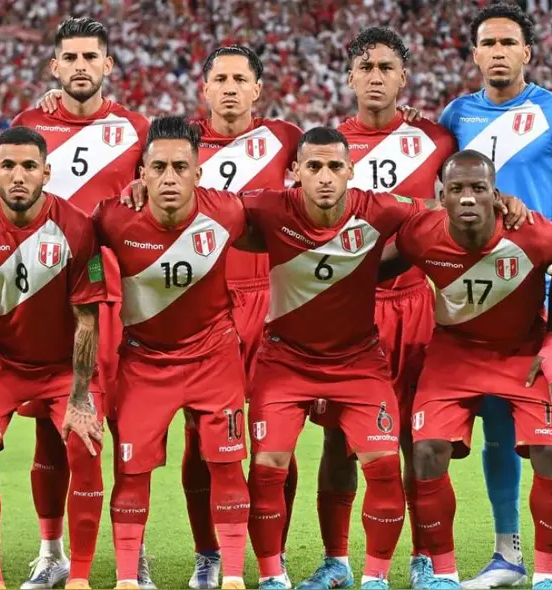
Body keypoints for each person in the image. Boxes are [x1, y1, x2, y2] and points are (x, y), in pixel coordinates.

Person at [438, 5, 552, 588]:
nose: (496, 51)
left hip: (548, 290)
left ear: (527, 53)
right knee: (496, 425)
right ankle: (507, 555)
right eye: (486, 42)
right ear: (473, 54)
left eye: (507, 43)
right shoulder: (455, 116)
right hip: (480, 293)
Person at [244, 127, 434, 590]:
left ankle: (374, 578)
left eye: (334, 167)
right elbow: (199, 207)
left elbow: (438, 221)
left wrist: (508, 209)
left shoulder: (380, 208)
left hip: (358, 362)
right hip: (285, 361)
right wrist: (138, 188)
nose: (325, 177)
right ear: (295, 174)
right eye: (313, 167)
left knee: (385, 465)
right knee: (268, 463)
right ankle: (273, 577)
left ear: (351, 170)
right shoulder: (268, 206)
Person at [303, 27, 456, 590]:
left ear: (404, 77)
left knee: (418, 437)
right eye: (365, 66)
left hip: (416, 306)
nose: (375, 76)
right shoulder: (322, 146)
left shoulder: (435, 138)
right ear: (349, 77)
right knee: (338, 439)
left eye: (386, 67)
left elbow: (473, 191)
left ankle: (422, 558)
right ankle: (336, 561)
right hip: (349, 308)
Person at [12, 16, 152, 589]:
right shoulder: (26, 125)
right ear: (54, 67)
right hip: (41, 296)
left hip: (116, 296)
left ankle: (130, 552)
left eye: (90, 57)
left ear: (107, 65)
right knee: (51, 429)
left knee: (122, 428)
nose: (79, 67)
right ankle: (51, 552)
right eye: (69, 58)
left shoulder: (136, 129)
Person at [397, 150, 552, 590]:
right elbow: (375, 269)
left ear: (495, 195)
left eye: (478, 188)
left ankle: (547, 575)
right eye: (456, 189)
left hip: (524, 354)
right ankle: (443, 573)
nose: (466, 198)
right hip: (453, 353)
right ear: (442, 196)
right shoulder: (421, 234)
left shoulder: (532, 233)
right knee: (425, 452)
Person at [0, 126, 107, 590]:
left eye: (29, 166)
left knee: (86, 443)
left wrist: (79, 400)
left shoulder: (77, 227)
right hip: (0, 362)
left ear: (46, 173)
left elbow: (88, 321)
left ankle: (77, 577)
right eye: (9, 166)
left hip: (62, 367)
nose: (19, 176)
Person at [95, 115, 251, 590]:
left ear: (199, 173)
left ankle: (231, 575)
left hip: (214, 357)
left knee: (226, 463)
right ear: (140, 173)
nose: (169, 178)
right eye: (158, 167)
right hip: (145, 362)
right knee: (131, 468)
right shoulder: (113, 218)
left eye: (180, 167)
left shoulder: (229, 213)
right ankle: (128, 576)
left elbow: (292, 215)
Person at [183, 45, 302, 590]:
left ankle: (271, 558)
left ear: (258, 89)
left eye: (241, 79)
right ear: (203, 88)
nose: (229, 88)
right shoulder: (178, 142)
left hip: (272, 299)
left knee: (275, 433)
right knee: (201, 438)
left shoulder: (286, 139)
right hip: (200, 299)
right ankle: (209, 552)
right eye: (220, 79)